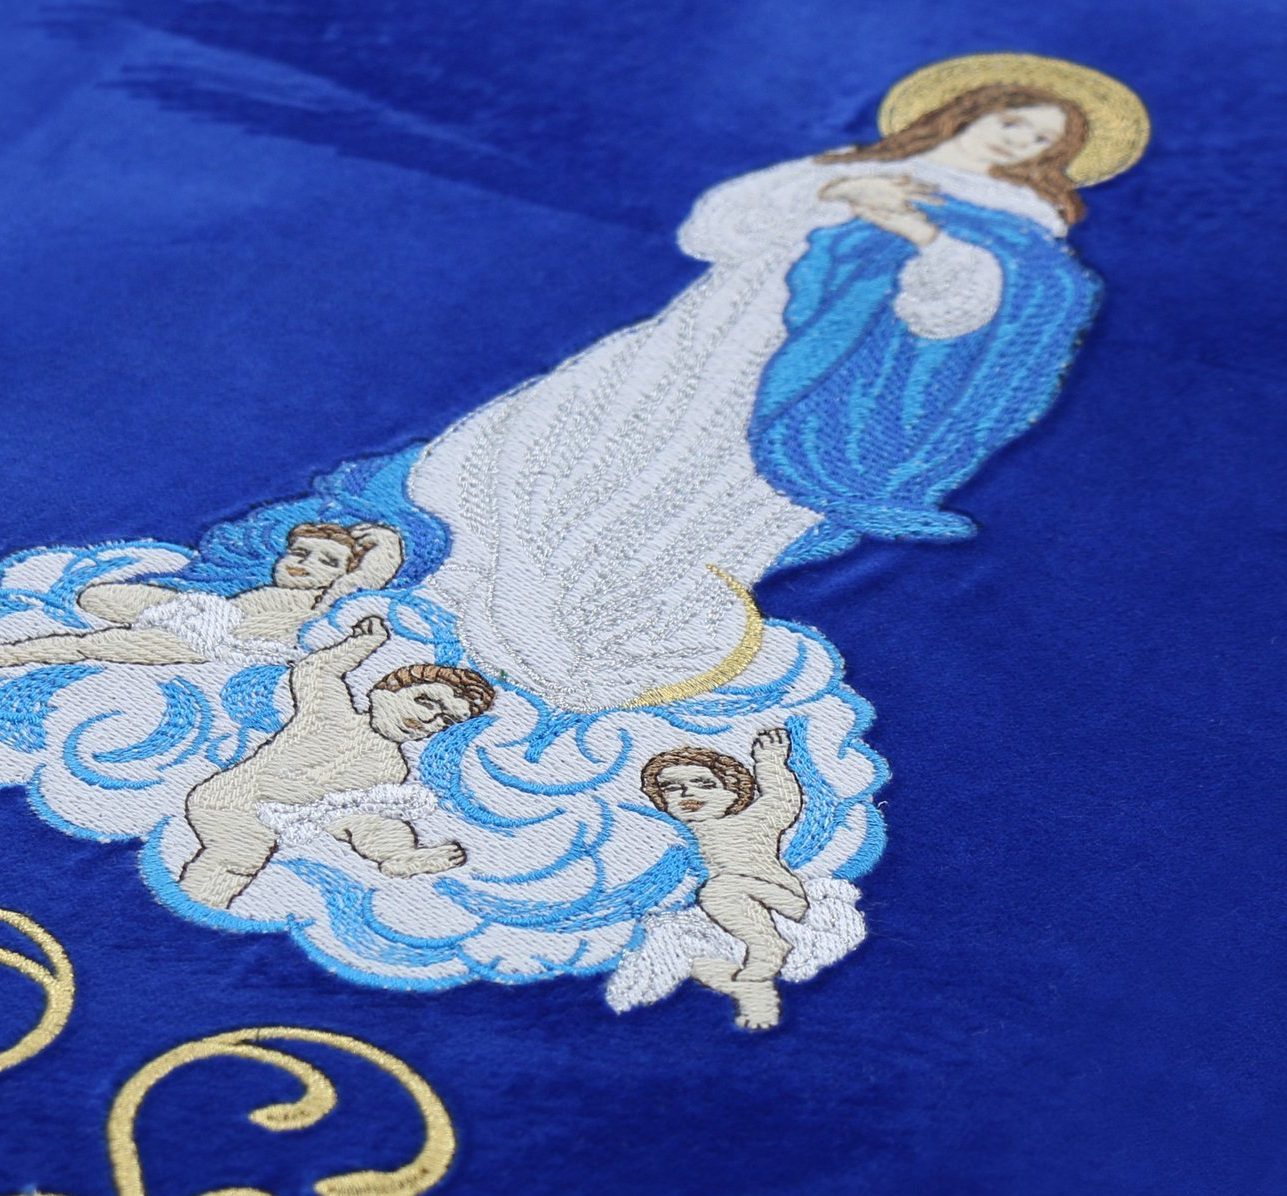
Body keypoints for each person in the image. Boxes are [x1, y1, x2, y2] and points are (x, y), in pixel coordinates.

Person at [407, 60, 1136, 711]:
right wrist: (840, 189)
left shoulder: (1018, 226)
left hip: (820, 383)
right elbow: (714, 230)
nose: (1019, 143)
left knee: (706, 491)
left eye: (1043, 141)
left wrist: (917, 232)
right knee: (580, 438)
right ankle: (477, 584)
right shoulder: (843, 165)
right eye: (1014, 122)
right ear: (969, 110)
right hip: (707, 335)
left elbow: (958, 313)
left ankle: (590, 634)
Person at [178, 615, 496, 909]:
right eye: (425, 701)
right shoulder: (331, 713)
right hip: (231, 801)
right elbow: (316, 671)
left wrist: (359, 825)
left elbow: (350, 817)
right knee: (241, 854)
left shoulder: (393, 767)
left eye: (445, 720)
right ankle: (190, 909)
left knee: (370, 813)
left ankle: (399, 855)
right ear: (383, 690)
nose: (428, 719)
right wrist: (363, 644)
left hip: (283, 816)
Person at [0, 521, 403, 666]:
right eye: (299, 552)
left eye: (326, 562)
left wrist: (386, 543)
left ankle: (17, 652)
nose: (304, 563)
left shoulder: (325, 602)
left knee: (101, 645)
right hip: (206, 610)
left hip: (219, 639)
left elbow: (368, 579)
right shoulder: (271, 586)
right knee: (97, 597)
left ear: (341, 576)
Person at [640, 729, 808, 1029]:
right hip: (724, 915)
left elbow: (782, 800)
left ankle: (768, 945)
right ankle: (752, 993)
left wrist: (769, 761)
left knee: (719, 889)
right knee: (691, 958)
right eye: (671, 788)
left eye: (705, 784)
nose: (687, 793)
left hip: (780, 900)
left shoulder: (749, 823)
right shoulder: (668, 836)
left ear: (733, 792)